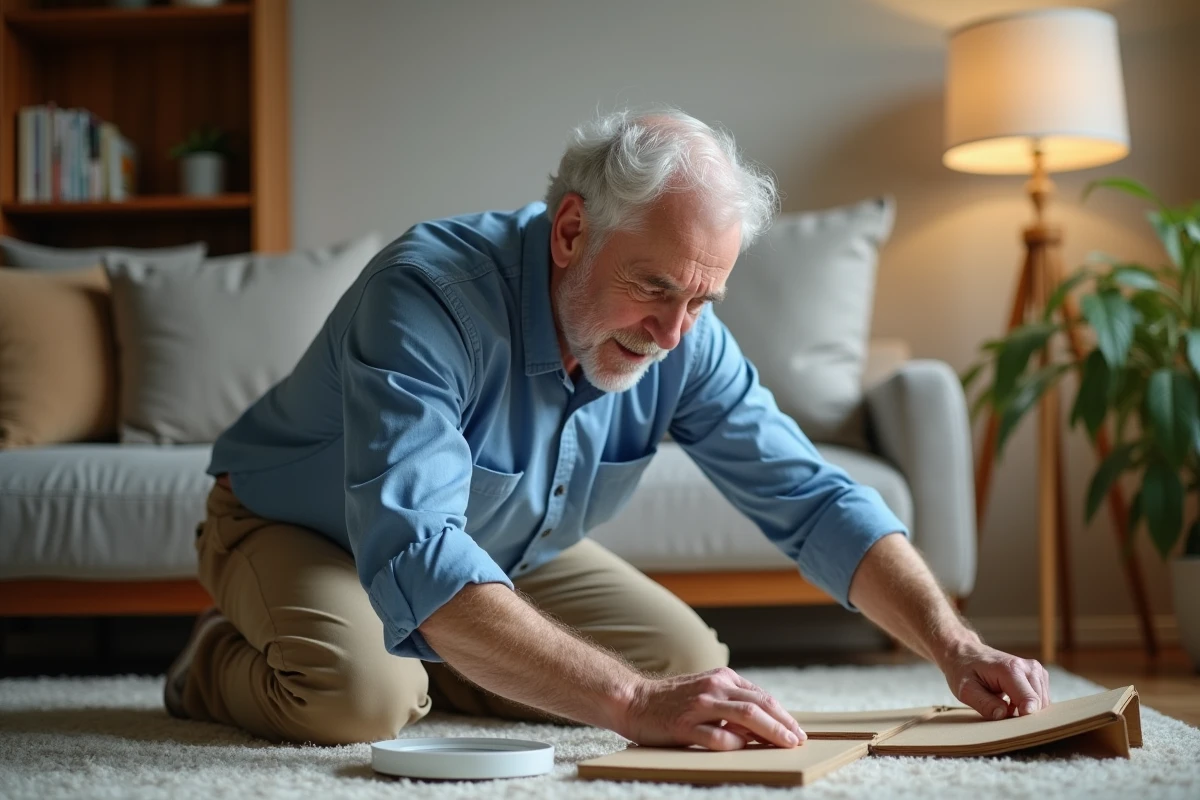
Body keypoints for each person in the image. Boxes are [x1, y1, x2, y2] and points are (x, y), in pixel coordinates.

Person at [164, 107, 1050, 749]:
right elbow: (419, 551)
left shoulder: (686, 337)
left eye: (702, 298)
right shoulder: (428, 297)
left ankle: (445, 652)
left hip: (504, 548)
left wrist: (954, 642)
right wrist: (625, 704)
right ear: (571, 230)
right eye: (654, 287)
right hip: (298, 528)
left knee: (689, 662)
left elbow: (811, 499)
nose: (673, 333)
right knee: (359, 698)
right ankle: (219, 660)